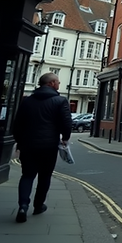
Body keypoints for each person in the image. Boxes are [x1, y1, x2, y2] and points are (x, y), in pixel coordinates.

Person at [12, 72, 72, 223]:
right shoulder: (60, 101)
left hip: (28, 144)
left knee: (27, 175)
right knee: (45, 176)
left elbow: (17, 124)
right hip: (49, 145)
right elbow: (66, 122)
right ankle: (38, 205)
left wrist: (19, 142)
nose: (59, 84)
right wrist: (65, 138)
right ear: (51, 83)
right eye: (57, 82)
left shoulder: (27, 101)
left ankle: (23, 206)